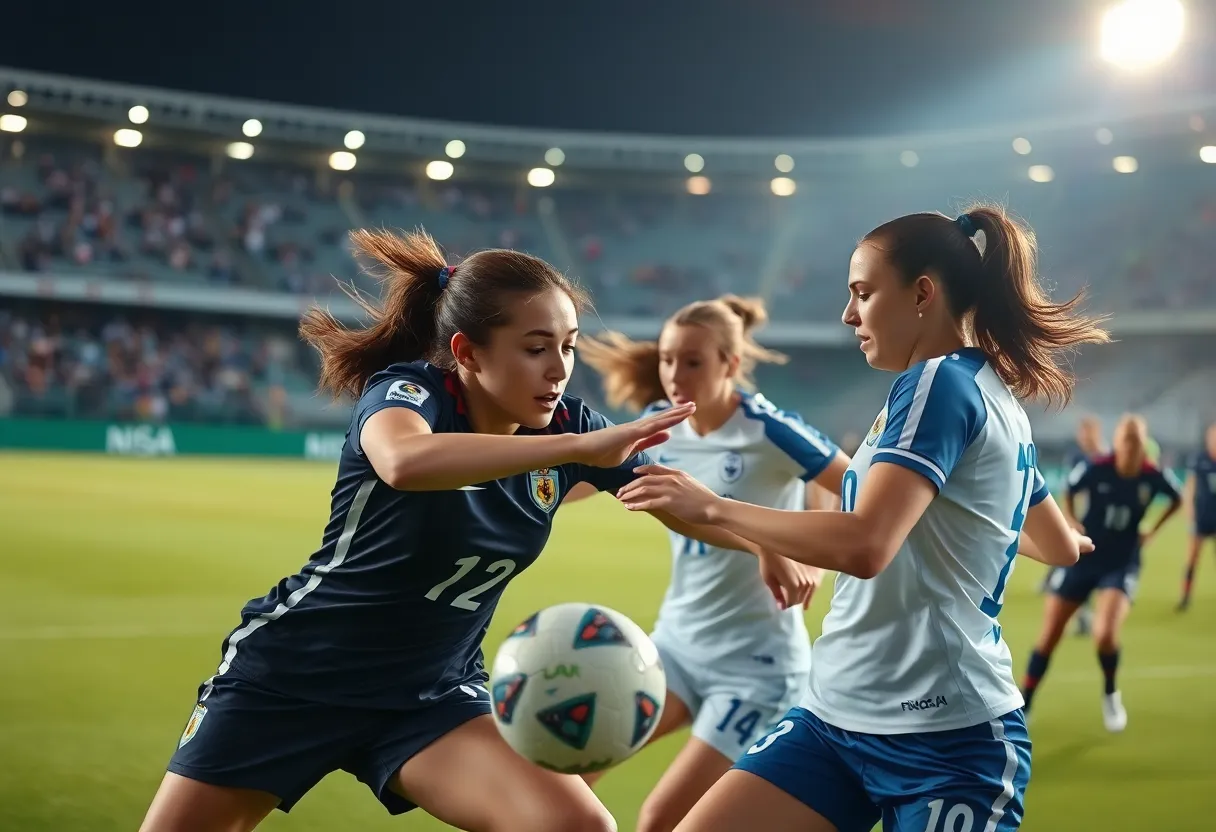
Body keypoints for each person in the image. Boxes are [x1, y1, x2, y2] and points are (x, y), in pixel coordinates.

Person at [137, 229, 815, 832]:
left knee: (576, 824)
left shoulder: (570, 427)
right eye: (535, 348)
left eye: (569, 348)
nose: (558, 370)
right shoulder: (411, 394)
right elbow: (405, 462)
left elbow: (682, 502)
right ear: (467, 350)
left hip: (428, 697)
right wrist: (574, 451)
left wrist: (764, 541)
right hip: (293, 679)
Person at [612, 205, 1107, 832]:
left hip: (944, 738)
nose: (850, 315)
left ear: (923, 293)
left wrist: (711, 506)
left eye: (863, 294)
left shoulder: (936, 386)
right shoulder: (990, 394)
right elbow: (1056, 545)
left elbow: (868, 544)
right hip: (831, 718)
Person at [572, 294, 850, 832]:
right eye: (668, 359)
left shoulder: (769, 429)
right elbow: (577, 481)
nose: (675, 374)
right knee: (573, 776)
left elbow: (853, 488)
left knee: (659, 820)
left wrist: (803, 548)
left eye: (692, 361)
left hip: (756, 669)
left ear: (730, 362)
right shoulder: (656, 428)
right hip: (677, 646)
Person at [1022, 414, 1182, 731]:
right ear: (1118, 442)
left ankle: (1110, 692)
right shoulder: (1098, 467)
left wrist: (1152, 530)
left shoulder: (1152, 475)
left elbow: (1176, 499)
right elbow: (1068, 486)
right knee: (1049, 636)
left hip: (1121, 563)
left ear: (1142, 445)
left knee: (1105, 634)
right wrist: (1071, 519)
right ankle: (1025, 703)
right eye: (1126, 440)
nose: (1130, 447)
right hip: (1086, 558)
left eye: (1136, 441)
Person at [1041, 415, 1109, 635]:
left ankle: (1084, 610)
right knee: (1076, 563)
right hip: (1080, 519)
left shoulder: (1105, 456)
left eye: (1086, 432)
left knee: (1086, 565)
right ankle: (1079, 612)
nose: (1083, 437)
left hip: (1099, 521)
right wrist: (1070, 516)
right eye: (1081, 433)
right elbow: (1070, 488)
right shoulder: (1076, 456)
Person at [1178, 421, 1216, 611]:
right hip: (1202, 517)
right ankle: (1185, 597)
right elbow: (1190, 488)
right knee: (1192, 558)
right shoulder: (1199, 459)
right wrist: (1190, 514)